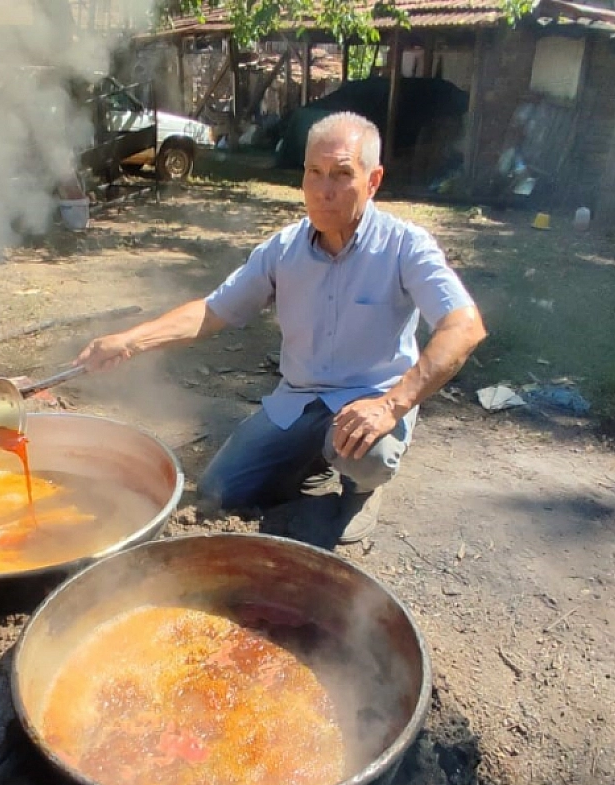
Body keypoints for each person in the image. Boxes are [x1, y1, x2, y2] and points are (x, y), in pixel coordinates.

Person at [76, 111, 487, 545]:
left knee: (371, 454)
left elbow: (464, 325)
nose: (324, 191)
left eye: (342, 174)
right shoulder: (283, 250)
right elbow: (213, 311)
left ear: (373, 180)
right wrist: (129, 340)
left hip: (371, 403)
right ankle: (309, 459)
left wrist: (391, 405)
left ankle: (361, 489)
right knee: (219, 492)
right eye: (314, 173)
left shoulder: (405, 246)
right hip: (299, 400)